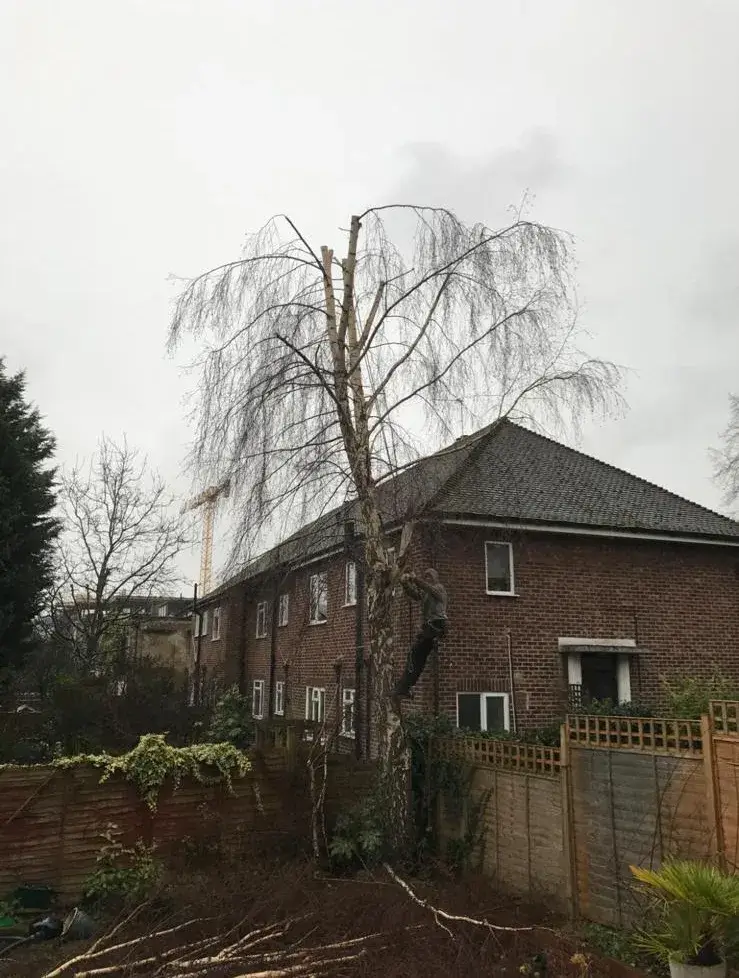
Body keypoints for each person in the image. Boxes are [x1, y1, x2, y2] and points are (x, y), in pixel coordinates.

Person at [391, 567, 447, 711]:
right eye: (426, 577)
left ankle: (404, 687)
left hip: (437, 624)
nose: (427, 580)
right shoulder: (426, 593)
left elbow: (431, 590)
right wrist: (405, 584)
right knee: (416, 656)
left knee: (415, 654)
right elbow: (415, 595)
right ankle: (404, 687)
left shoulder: (439, 589)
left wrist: (415, 579)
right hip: (429, 628)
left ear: (435, 578)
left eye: (430, 577)